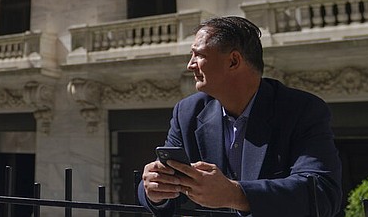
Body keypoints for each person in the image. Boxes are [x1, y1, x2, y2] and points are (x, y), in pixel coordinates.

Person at [138, 16, 342, 217]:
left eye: (198, 55)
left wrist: (236, 194)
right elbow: (164, 190)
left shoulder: (302, 110)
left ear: (234, 61)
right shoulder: (187, 112)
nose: (190, 65)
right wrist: (155, 191)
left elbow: (322, 194)